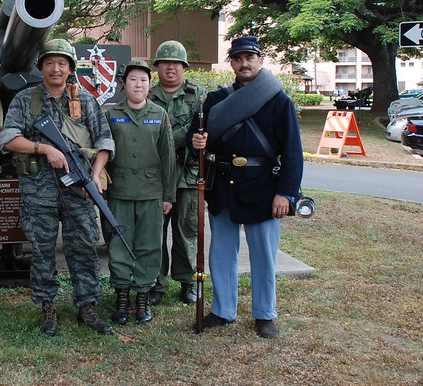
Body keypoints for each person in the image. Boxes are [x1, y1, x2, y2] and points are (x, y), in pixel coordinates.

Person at [0, 38, 116, 336]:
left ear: (70, 69)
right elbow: (8, 138)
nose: (55, 68)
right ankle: (47, 306)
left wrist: (95, 175)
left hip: (78, 189)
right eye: (50, 63)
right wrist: (44, 149)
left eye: (62, 63)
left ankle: (87, 305)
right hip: (40, 191)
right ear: (41, 67)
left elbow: (104, 142)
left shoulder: (85, 101)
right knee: (41, 250)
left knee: (84, 248)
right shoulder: (26, 100)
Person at [190, 36, 303, 339]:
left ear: (260, 60)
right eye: (237, 58)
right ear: (231, 63)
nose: (244, 63)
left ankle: (264, 314)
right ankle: (223, 310)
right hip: (224, 185)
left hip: (264, 186)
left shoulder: (279, 101)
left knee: (264, 254)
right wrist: (197, 143)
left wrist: (286, 193)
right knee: (222, 252)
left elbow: (292, 151)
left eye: (249, 57)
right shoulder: (216, 100)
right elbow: (197, 140)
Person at [104, 59, 176, 325]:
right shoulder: (111, 114)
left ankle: (143, 296)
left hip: (151, 193)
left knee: (149, 245)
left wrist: (169, 196)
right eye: (133, 79)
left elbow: (168, 157)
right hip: (119, 192)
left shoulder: (160, 114)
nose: (139, 84)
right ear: (124, 84)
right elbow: (104, 154)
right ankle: (122, 296)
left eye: (144, 80)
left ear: (150, 84)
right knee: (120, 244)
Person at [148, 40, 206, 306]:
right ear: (157, 67)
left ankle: (186, 282)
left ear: (184, 67)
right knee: (154, 233)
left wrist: (179, 138)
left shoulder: (199, 95)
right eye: (165, 63)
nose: (170, 68)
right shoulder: (146, 96)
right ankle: (156, 283)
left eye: (176, 64)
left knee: (187, 232)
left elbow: (208, 128)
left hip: (188, 176)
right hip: (155, 177)